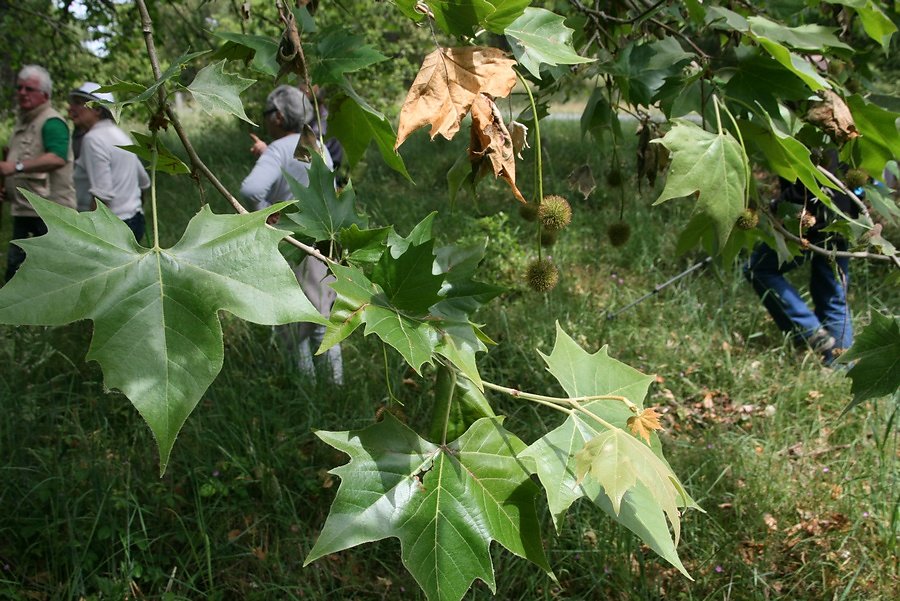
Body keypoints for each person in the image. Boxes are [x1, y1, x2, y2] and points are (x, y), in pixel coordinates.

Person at [240, 84, 343, 385]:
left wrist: (266, 214)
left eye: (267, 113)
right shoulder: (315, 144)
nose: (265, 119)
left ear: (280, 116)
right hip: (322, 238)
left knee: (295, 323)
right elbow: (306, 173)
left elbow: (251, 188)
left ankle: (307, 389)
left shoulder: (278, 149)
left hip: (290, 242)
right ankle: (336, 386)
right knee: (324, 318)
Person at [744, 150, 860, 365]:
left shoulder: (802, 135)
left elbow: (803, 189)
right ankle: (842, 368)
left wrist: (776, 207)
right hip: (845, 219)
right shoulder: (840, 131)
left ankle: (809, 332)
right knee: (834, 296)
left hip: (811, 221)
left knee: (758, 268)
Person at [0, 64, 76, 282]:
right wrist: (8, 189)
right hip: (25, 209)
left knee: (50, 267)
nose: (22, 93)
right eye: (19, 88)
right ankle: (13, 310)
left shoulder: (51, 122)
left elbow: (57, 158)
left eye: (28, 89)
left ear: (45, 95)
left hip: (49, 210)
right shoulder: (24, 122)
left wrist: (16, 167)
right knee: (18, 265)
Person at [68, 82, 150, 241]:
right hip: (135, 220)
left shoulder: (93, 139)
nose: (71, 109)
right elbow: (144, 181)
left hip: (111, 227)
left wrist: (90, 233)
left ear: (98, 109)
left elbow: (102, 194)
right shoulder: (121, 136)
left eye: (78, 104)